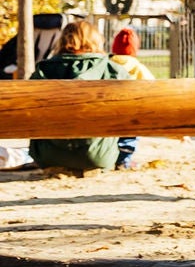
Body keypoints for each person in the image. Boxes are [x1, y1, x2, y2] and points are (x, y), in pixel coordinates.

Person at [29, 19, 128, 172]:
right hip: (99, 156)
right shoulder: (112, 70)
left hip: (48, 155)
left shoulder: (43, 69)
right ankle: (123, 160)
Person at [107, 27, 155, 169]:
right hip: (130, 111)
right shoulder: (137, 66)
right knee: (129, 137)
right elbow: (152, 84)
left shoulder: (108, 62)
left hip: (109, 109)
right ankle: (123, 161)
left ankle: (110, 158)